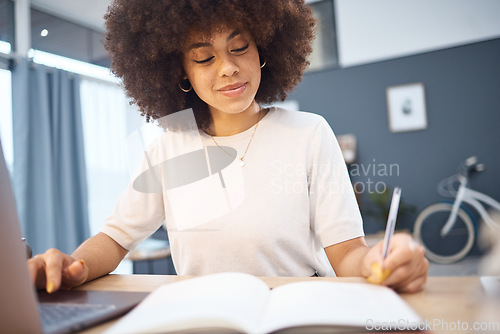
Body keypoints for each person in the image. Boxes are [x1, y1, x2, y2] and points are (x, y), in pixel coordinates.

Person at [28, 0, 428, 294]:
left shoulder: (309, 133)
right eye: (203, 57)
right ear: (180, 71)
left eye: (239, 48)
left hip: (296, 313)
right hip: (205, 317)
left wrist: (378, 261)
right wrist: (71, 266)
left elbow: (347, 256)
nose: (227, 68)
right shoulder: (170, 145)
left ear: (264, 50)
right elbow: (115, 239)